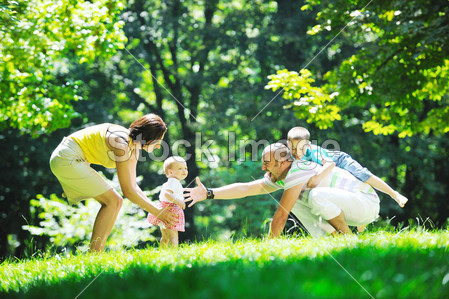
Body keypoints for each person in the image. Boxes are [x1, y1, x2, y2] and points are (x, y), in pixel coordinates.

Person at [184, 143, 380, 238]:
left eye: (267, 163)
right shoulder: (283, 176)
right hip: (351, 208)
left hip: (365, 203)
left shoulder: (298, 169)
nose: (263, 168)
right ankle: (333, 239)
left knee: (312, 197)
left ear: (284, 162)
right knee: (300, 202)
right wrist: (209, 193)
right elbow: (246, 188)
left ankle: (348, 239)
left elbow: (280, 217)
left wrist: (270, 248)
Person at [49, 113, 177, 252]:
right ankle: (94, 255)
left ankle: (95, 254)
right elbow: (127, 191)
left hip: (72, 158)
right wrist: (157, 212)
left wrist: (157, 210)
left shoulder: (133, 149)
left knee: (115, 202)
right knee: (113, 201)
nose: (158, 147)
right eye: (157, 142)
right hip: (66, 157)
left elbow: (133, 187)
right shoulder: (121, 143)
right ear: (147, 138)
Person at [287, 126, 408, 208]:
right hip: (329, 172)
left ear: (308, 145)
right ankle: (360, 219)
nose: (297, 152)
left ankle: (394, 194)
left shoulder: (313, 151)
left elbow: (330, 164)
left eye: (301, 149)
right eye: (293, 148)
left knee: (362, 174)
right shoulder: (291, 155)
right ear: (288, 144)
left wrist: (317, 178)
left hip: (340, 160)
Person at [147, 156, 187, 248]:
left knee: (165, 237)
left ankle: (163, 252)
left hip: (165, 209)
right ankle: (174, 254)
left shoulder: (171, 181)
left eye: (185, 168)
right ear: (170, 172)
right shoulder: (174, 181)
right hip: (170, 210)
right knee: (173, 237)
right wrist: (179, 202)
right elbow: (166, 194)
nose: (184, 171)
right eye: (180, 168)